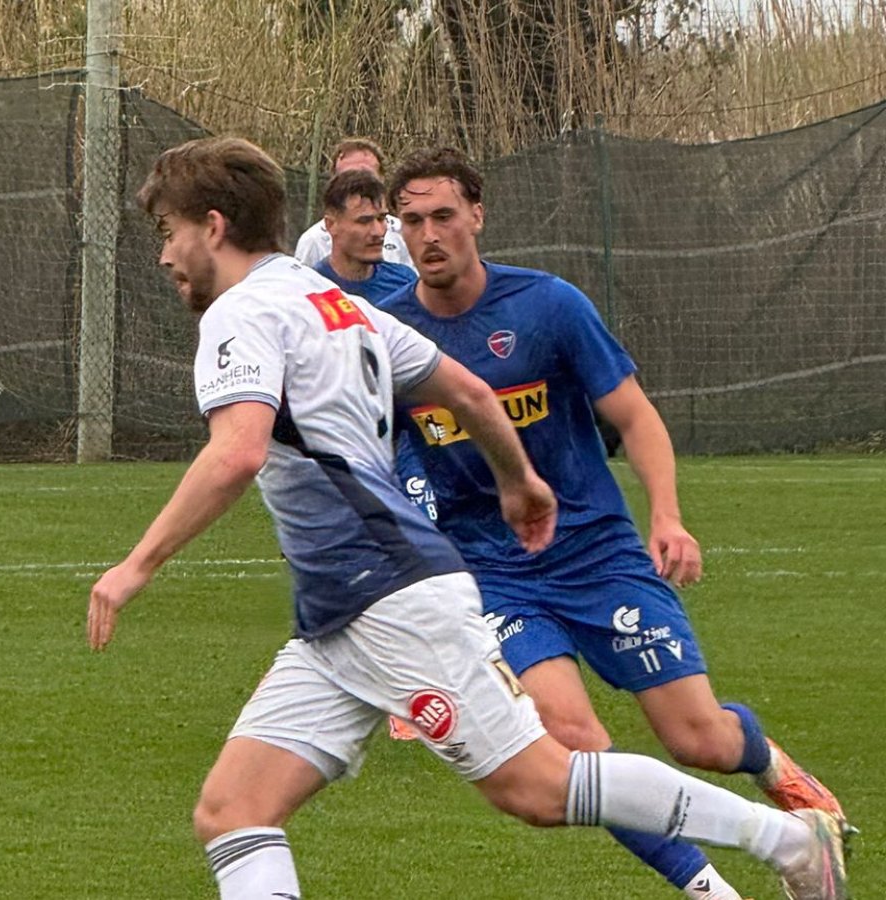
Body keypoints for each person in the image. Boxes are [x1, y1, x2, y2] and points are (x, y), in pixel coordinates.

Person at [86, 135, 848, 900]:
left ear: (213, 226)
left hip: (390, 596)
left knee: (542, 784)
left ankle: (789, 840)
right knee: (234, 811)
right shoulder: (336, 304)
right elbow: (471, 393)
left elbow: (237, 452)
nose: (166, 254)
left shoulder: (241, 313)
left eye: (169, 231)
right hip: (338, 616)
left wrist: (134, 566)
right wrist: (520, 481)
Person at [378, 146, 853, 899]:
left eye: (443, 215)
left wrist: (668, 517)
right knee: (570, 743)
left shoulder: (548, 306)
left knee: (698, 739)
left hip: (596, 552)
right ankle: (711, 889)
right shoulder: (389, 335)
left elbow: (634, 416)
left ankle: (776, 771)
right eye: (412, 221)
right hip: (493, 572)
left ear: (477, 215)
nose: (429, 235)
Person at [294, 136, 413, 272]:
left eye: (367, 176)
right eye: (348, 178)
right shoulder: (313, 241)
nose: (360, 185)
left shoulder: (404, 233)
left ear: (382, 179)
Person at [309, 168, 416, 303]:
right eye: (364, 221)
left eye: (381, 218)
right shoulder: (311, 288)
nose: (378, 232)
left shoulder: (404, 283)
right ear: (331, 225)